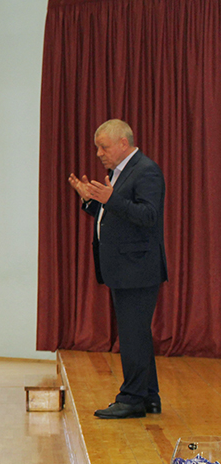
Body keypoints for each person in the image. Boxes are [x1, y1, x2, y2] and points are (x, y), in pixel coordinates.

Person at [67, 119, 167, 419]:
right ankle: (149, 397)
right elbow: (114, 214)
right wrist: (90, 200)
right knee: (138, 334)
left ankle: (131, 399)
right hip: (125, 267)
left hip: (138, 268)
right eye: (97, 148)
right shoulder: (120, 172)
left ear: (124, 143)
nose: (99, 153)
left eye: (104, 147)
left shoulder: (146, 170)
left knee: (133, 335)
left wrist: (112, 199)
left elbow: (149, 215)